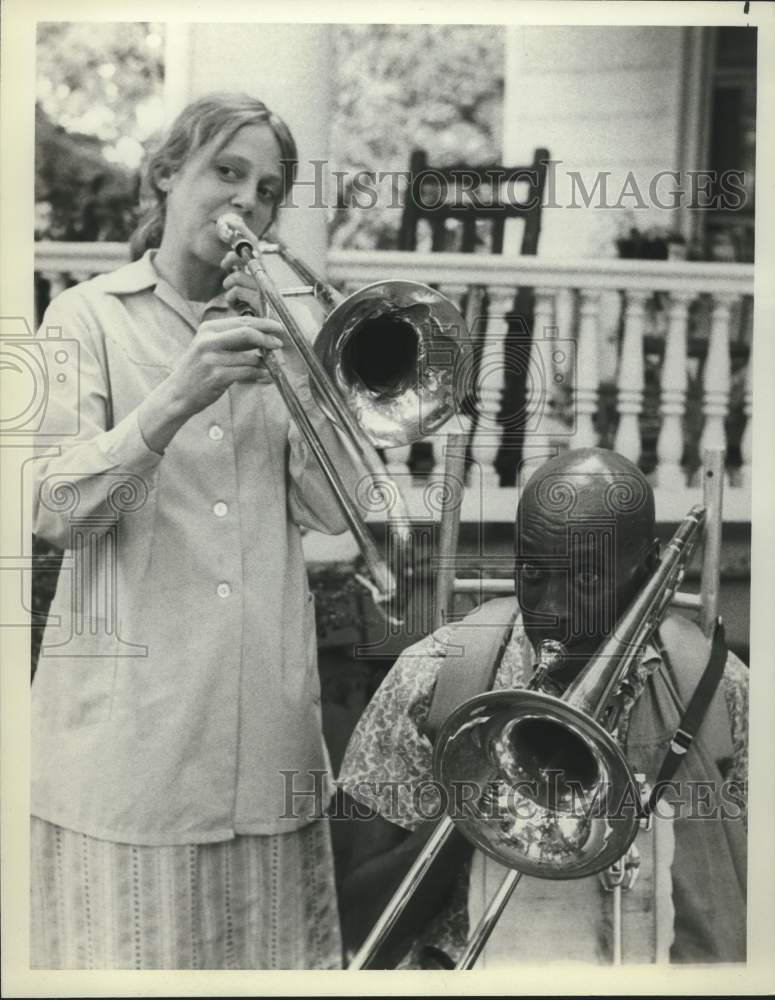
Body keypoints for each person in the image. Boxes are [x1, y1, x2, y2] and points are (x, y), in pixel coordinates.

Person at [31, 92, 359, 969]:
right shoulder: (83, 317)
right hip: (136, 747)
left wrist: (315, 373)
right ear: (167, 173)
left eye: (268, 188)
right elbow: (51, 511)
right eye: (226, 171)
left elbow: (338, 514)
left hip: (267, 741)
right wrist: (175, 396)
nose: (247, 200)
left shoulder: (276, 332)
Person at [337, 448, 748, 968]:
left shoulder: (717, 689)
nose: (550, 609)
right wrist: (482, 802)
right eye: (532, 573)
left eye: (587, 580)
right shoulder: (433, 677)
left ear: (648, 571)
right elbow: (359, 926)